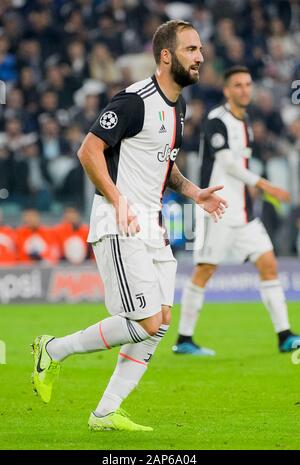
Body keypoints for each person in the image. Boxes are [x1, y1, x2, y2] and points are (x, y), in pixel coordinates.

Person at [32, 20, 227, 432]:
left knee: (159, 324)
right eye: (191, 49)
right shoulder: (134, 100)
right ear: (166, 56)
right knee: (145, 323)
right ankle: (53, 348)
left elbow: (165, 167)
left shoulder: (179, 107)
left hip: (152, 225)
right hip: (120, 220)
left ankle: (105, 413)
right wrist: (118, 200)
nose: (200, 57)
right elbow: (89, 150)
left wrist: (195, 194)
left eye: (200, 49)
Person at [173, 65, 300, 356]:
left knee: (268, 263)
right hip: (217, 209)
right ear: (227, 90)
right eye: (238, 85)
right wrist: (265, 184)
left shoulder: (246, 122)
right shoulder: (216, 120)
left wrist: (252, 187)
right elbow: (228, 163)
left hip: (243, 214)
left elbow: (237, 168)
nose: (244, 89)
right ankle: (184, 339)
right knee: (205, 270)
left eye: (248, 84)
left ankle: (284, 335)